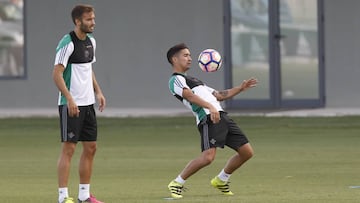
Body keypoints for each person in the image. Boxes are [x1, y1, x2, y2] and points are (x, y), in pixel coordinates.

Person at [166, 43, 258, 199]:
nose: (190, 58)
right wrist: (210, 107)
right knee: (208, 157)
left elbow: (219, 95)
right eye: (185, 55)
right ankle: (177, 183)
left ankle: (221, 180)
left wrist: (240, 88)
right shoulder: (175, 80)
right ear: (175, 59)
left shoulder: (194, 80)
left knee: (246, 152)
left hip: (221, 116)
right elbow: (189, 96)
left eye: (190, 55)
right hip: (208, 118)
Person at [52, 4, 105, 203]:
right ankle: (63, 197)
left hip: (88, 104)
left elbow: (87, 69)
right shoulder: (67, 43)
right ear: (78, 21)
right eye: (89, 19)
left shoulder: (91, 41)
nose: (93, 22)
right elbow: (56, 74)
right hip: (70, 105)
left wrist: (98, 92)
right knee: (69, 149)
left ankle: (84, 195)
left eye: (93, 18)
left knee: (91, 147)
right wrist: (69, 98)